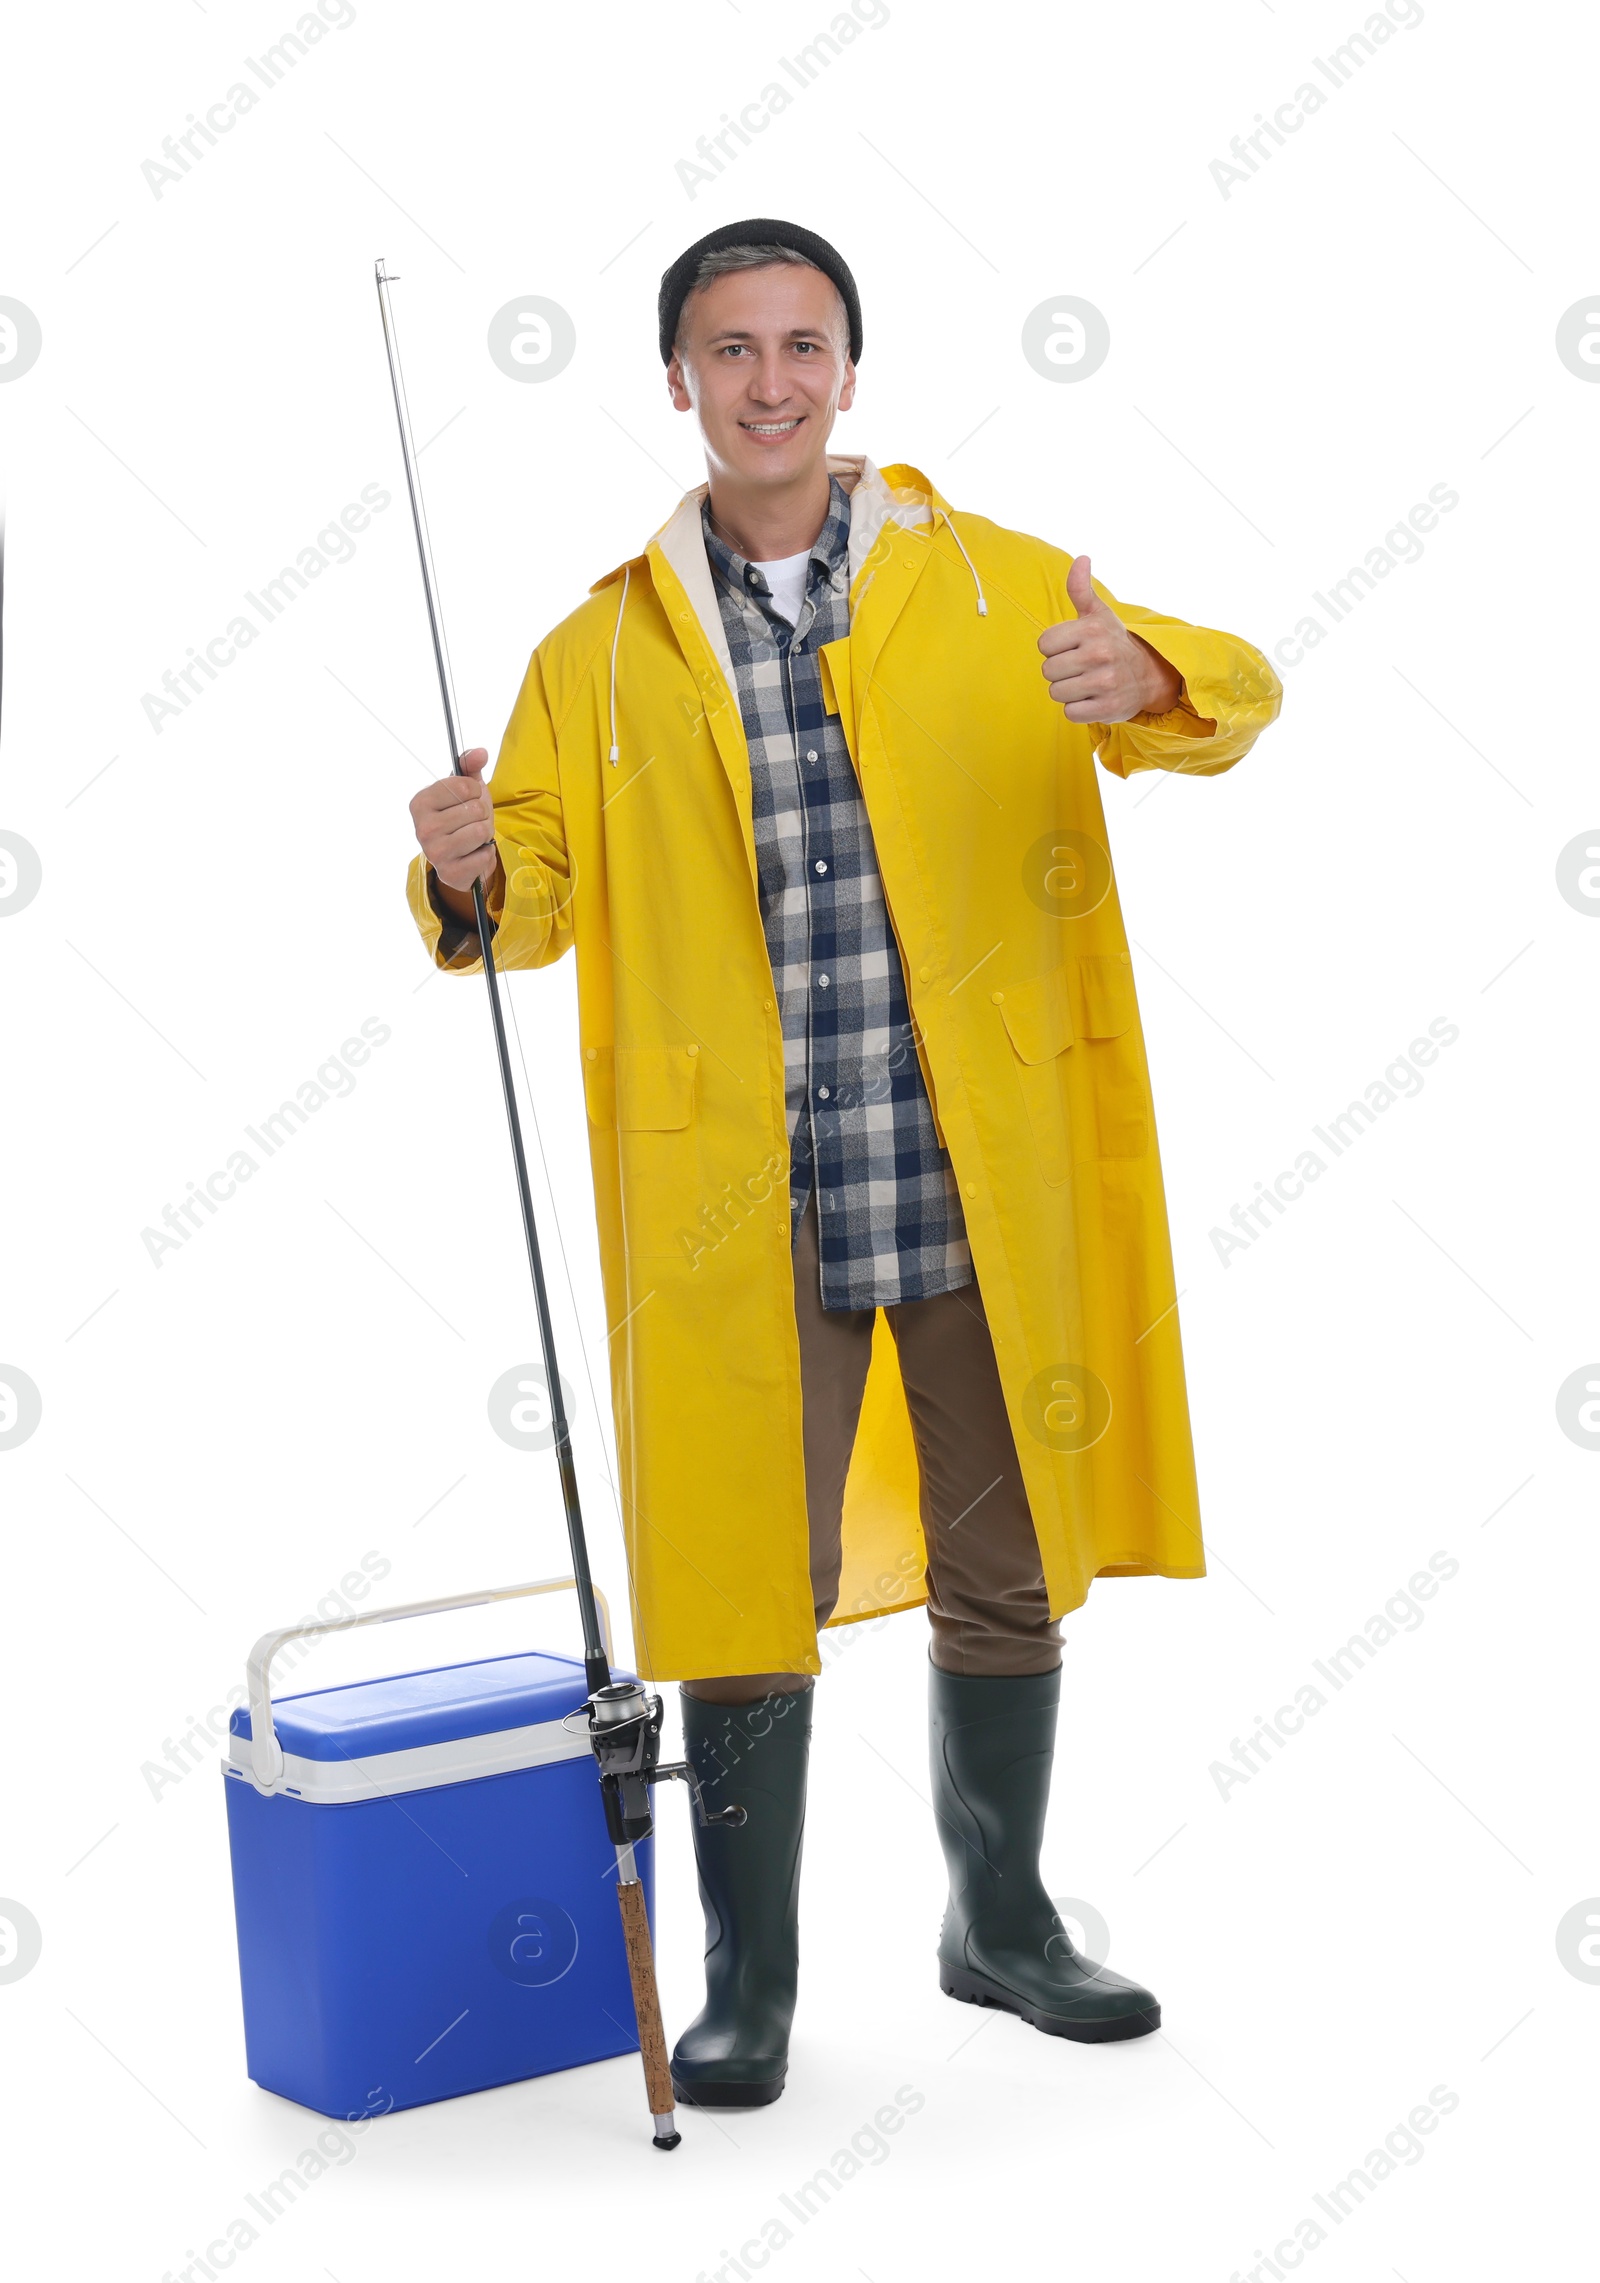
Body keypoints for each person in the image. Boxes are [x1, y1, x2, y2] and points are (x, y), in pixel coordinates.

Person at [407, 218, 1282, 2109]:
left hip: (974, 1172)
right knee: (738, 1579)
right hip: (740, 1207)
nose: (770, 381)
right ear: (678, 382)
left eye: (803, 344)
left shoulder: (999, 587)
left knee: (1008, 1560)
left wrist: (1150, 676)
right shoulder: (599, 652)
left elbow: (1231, 697)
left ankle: (1004, 1925)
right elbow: (530, 906)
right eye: (731, 350)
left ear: (852, 371)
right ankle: (752, 1984)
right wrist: (468, 863)